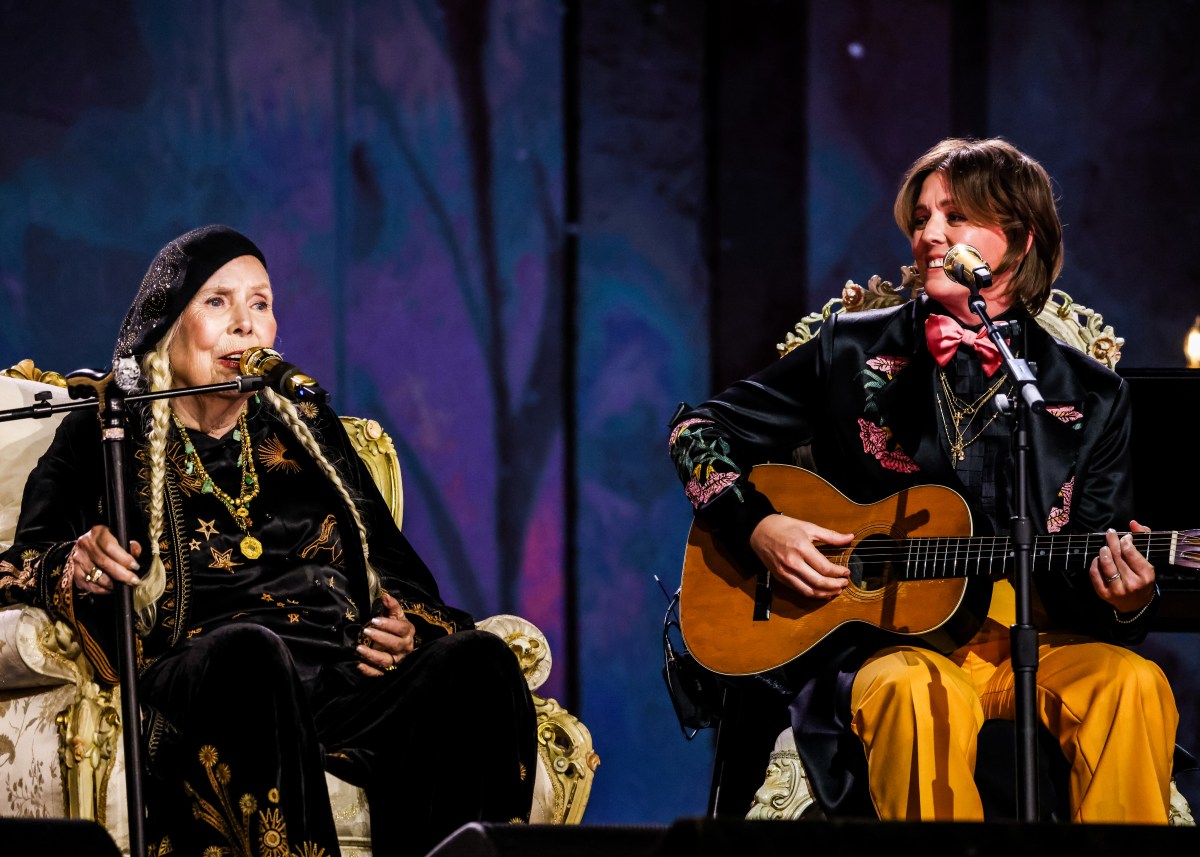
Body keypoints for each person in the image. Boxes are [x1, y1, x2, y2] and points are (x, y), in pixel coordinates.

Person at [668, 137, 1179, 823]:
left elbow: (1092, 556)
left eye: (956, 216)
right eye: (922, 217)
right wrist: (760, 525)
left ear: (1019, 239)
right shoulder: (854, 349)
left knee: (1135, 686)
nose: (929, 234)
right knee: (914, 695)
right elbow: (695, 432)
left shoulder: (1090, 393)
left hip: (1037, 645)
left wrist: (1127, 596)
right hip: (894, 645)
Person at [0, 225, 536, 857]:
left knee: (479, 664)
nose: (245, 324)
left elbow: (398, 567)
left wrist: (409, 630)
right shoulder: (105, 430)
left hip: (338, 683)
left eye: (260, 303)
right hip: (214, 677)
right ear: (168, 327)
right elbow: (19, 564)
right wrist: (80, 566)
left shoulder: (309, 429)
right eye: (218, 302)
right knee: (251, 658)